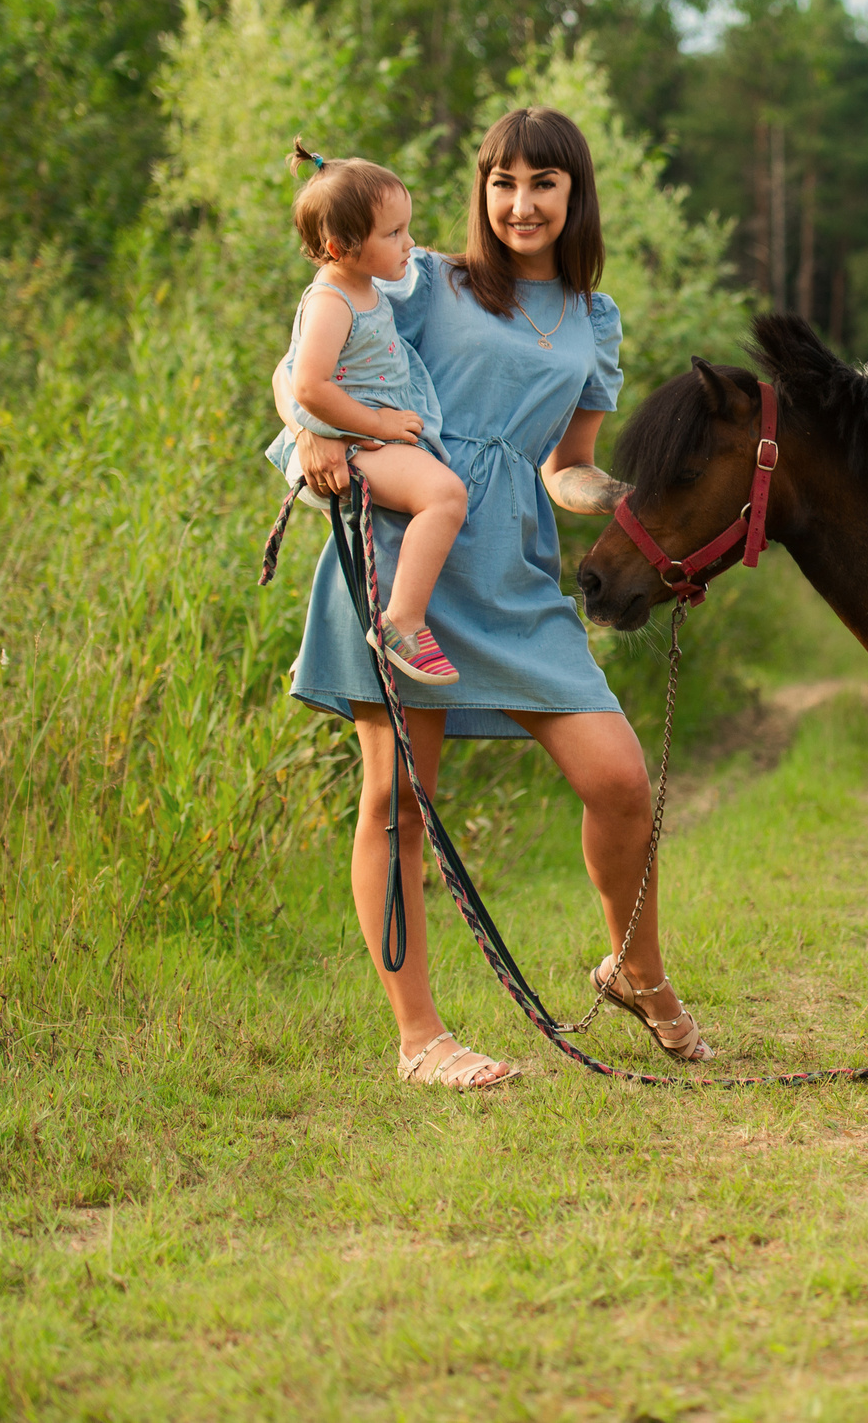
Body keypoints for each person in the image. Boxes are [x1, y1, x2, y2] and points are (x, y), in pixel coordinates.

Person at [273, 107, 712, 1088]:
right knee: (394, 802)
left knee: (619, 777)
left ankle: (634, 969)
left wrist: (640, 515)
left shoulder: (594, 322)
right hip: (405, 544)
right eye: (503, 181)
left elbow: (569, 467)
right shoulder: (426, 277)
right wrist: (309, 435)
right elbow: (310, 336)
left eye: (542, 183)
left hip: (509, 557)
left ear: (573, 193)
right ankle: (419, 1037)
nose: (520, 202)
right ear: (482, 189)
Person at [266, 144, 466, 684]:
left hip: (365, 436)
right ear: (340, 246)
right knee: (444, 496)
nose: (410, 242)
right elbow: (306, 382)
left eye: (407, 228)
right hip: (356, 441)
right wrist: (377, 424)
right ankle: (402, 622)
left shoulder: (361, 284)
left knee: (403, 522)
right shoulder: (331, 301)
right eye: (394, 234)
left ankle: (340, 639)